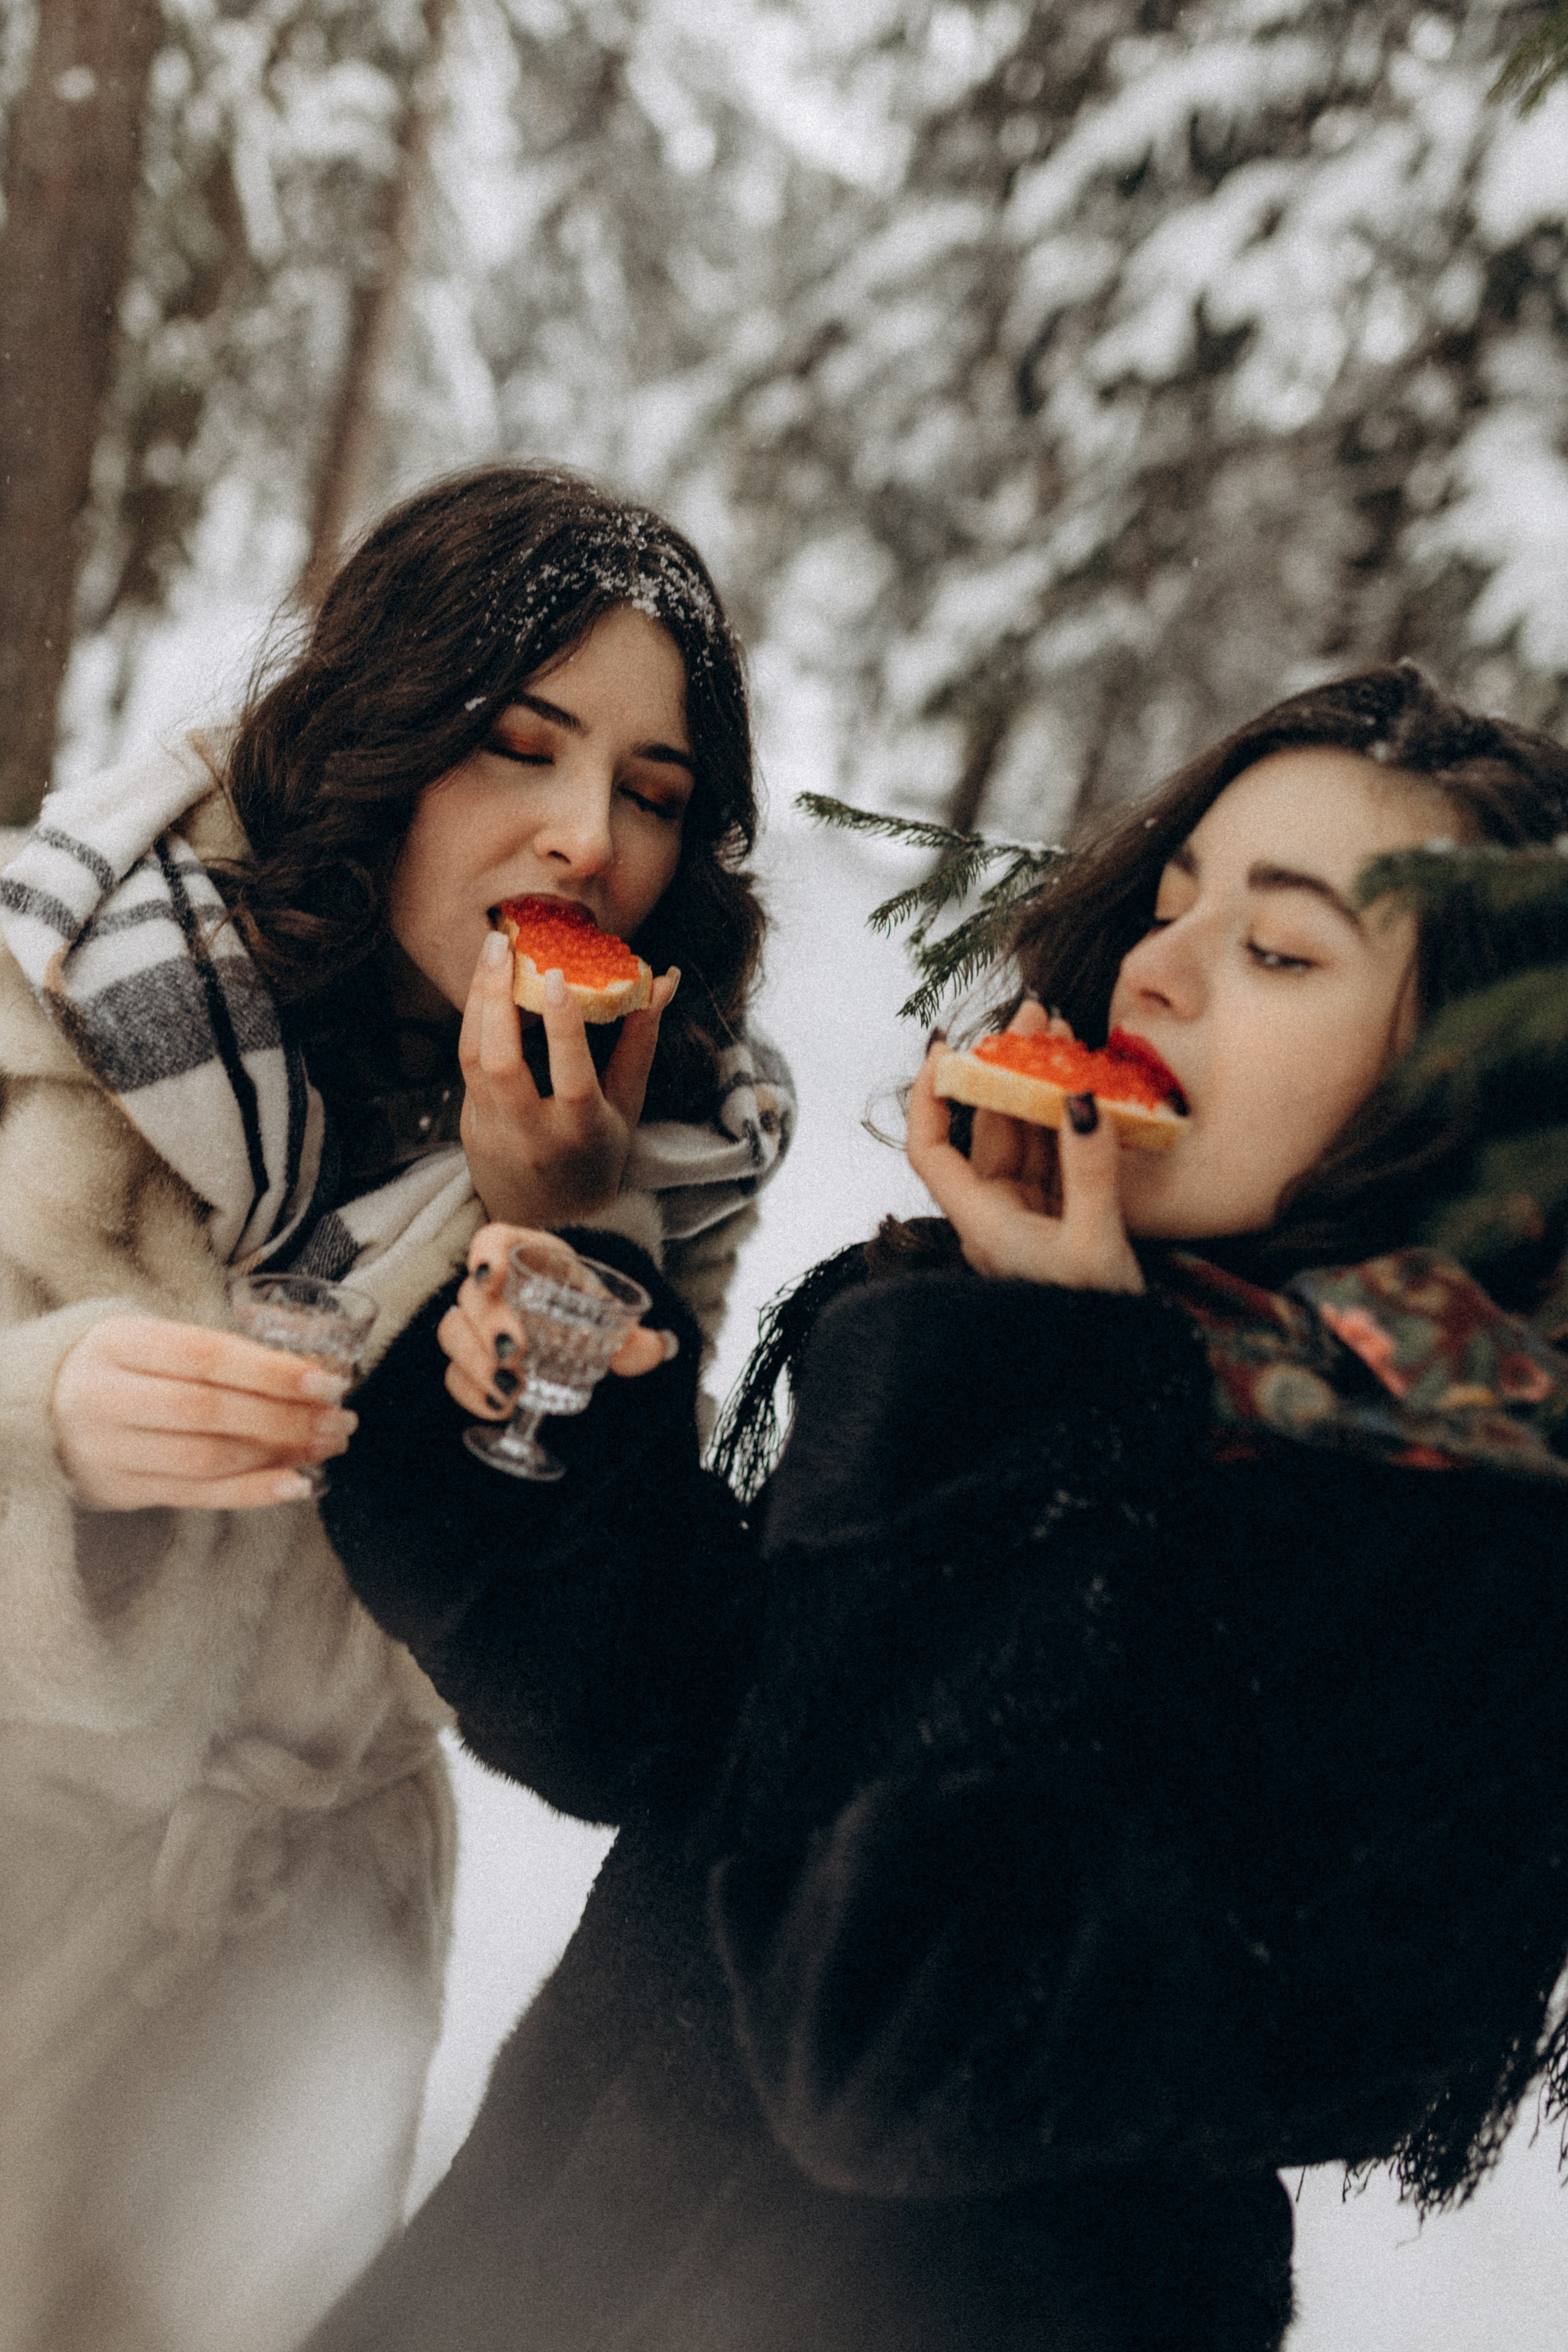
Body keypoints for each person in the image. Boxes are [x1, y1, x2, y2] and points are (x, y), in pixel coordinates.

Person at [302, 663, 1568, 2351]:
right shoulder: (1083, 1347)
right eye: (1172, 902)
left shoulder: (1477, 1585)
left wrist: (1031, 1375)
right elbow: (652, 1729)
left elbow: (896, 2035)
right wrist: (570, 1282)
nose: (1157, 972)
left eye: (1276, 951)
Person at [0, 465, 790, 2352]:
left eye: (656, 797)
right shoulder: (73, 989)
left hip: (292, 1971)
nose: (585, 837)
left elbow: (590, 1692)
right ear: (389, 739)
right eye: (521, 747)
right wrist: (40, 1416)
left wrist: (559, 1228)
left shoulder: (666, 1144)